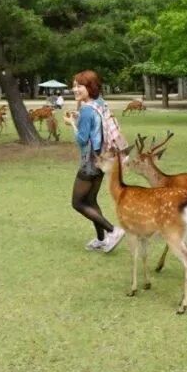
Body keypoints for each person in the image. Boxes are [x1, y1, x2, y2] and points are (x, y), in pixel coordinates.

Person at [70, 70, 124, 253]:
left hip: (89, 162)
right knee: (91, 200)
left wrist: (72, 123)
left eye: (79, 85)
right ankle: (101, 239)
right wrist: (79, 111)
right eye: (74, 85)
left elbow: (82, 139)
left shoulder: (86, 110)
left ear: (90, 87)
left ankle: (113, 231)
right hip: (102, 160)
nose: (75, 89)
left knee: (78, 203)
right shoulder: (99, 103)